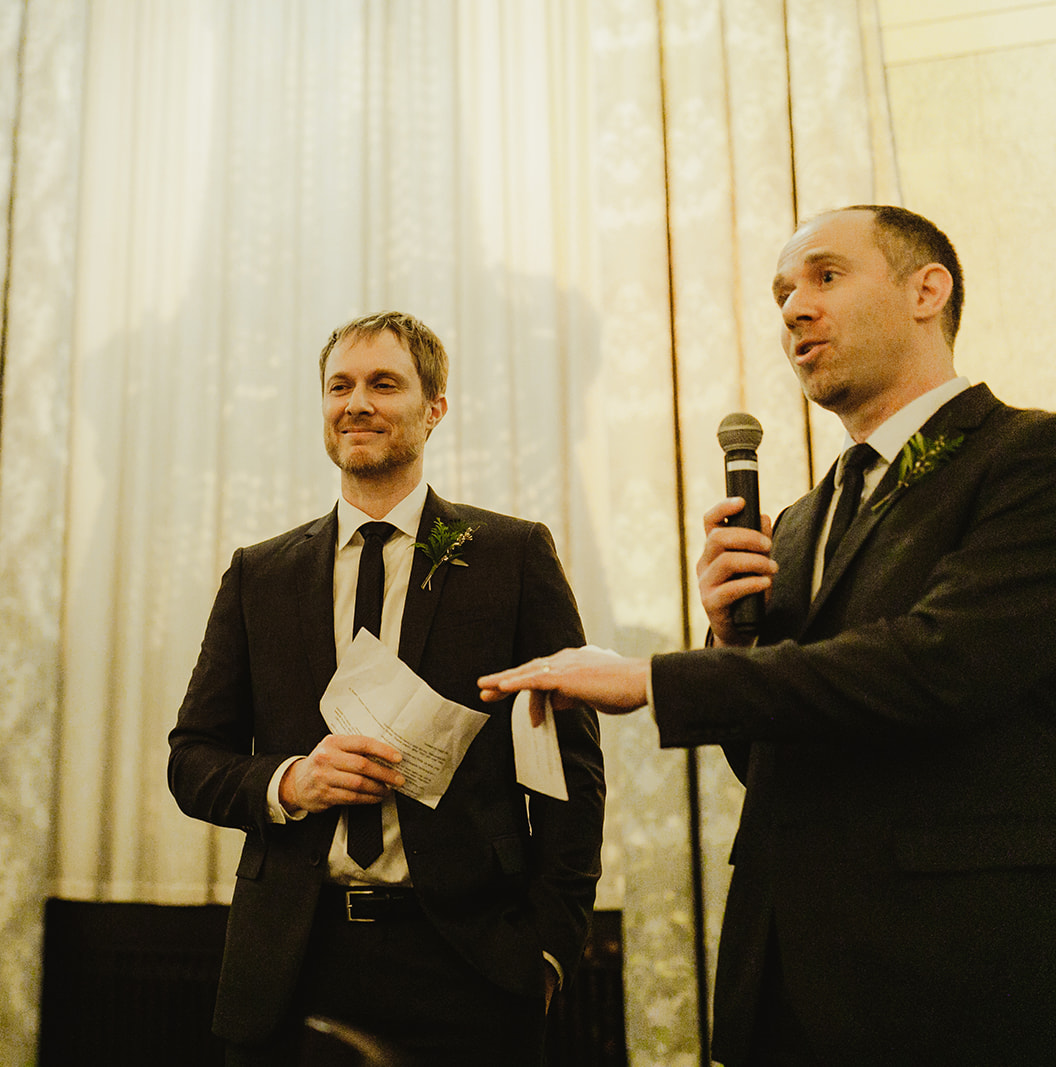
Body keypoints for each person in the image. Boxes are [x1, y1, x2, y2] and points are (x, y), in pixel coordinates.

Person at [479, 206, 1056, 1065]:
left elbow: (937, 666)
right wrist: (729, 644)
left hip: (947, 968)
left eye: (825, 277)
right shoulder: (795, 521)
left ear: (926, 290)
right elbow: (771, 757)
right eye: (782, 292)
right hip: (781, 973)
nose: (791, 309)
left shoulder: (1026, 458)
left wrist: (657, 678)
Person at [168, 311, 605, 1066]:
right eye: (340, 385)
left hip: (468, 967)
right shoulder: (259, 574)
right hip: (290, 965)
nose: (356, 403)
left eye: (383, 383)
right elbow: (192, 759)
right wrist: (290, 780)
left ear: (434, 408)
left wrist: (550, 950)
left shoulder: (511, 556)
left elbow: (573, 772)